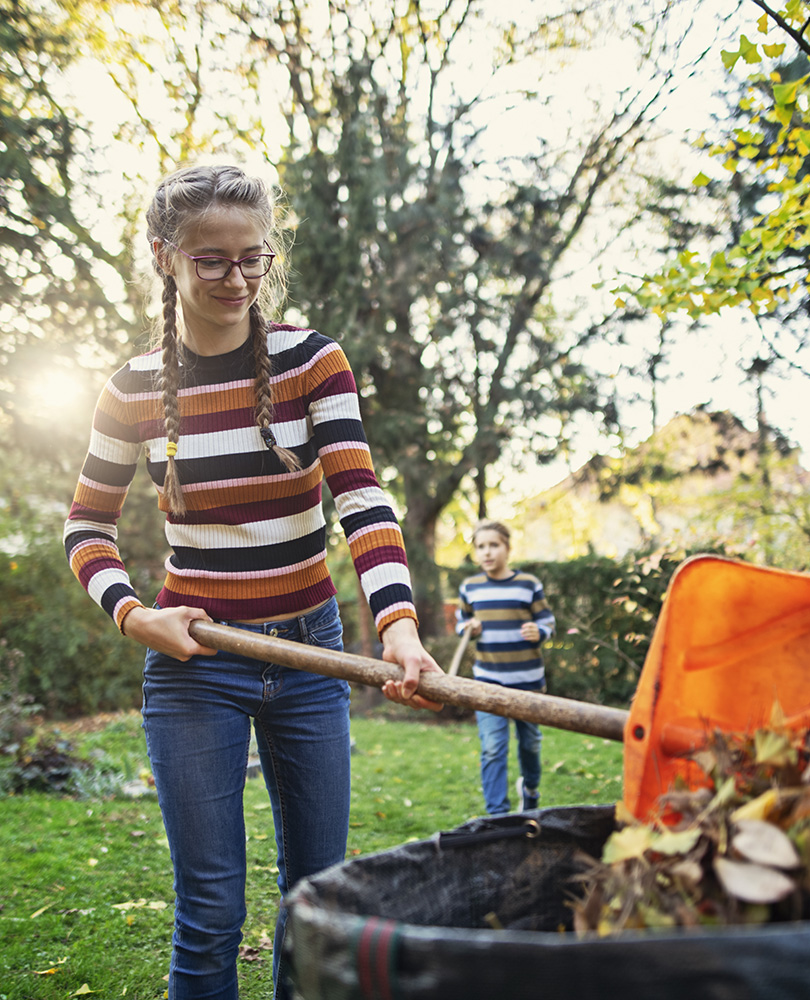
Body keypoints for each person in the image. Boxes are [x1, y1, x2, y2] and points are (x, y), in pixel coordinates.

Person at [62, 163, 441, 1000]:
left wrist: (400, 626)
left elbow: (361, 498)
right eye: (212, 260)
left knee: (317, 899)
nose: (238, 279)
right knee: (208, 909)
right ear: (165, 256)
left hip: (311, 656)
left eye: (253, 259)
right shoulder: (130, 389)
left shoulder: (313, 361)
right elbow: (84, 526)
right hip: (196, 664)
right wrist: (132, 617)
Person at [455, 520, 555, 815]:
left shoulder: (528, 584)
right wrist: (468, 627)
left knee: (531, 744)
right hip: (487, 682)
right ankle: (497, 815)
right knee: (493, 747)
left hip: (528, 682)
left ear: (507, 549)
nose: (487, 553)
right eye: (481, 547)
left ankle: (531, 790)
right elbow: (462, 623)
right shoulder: (469, 587)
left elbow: (547, 620)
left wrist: (541, 631)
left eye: (494, 545)